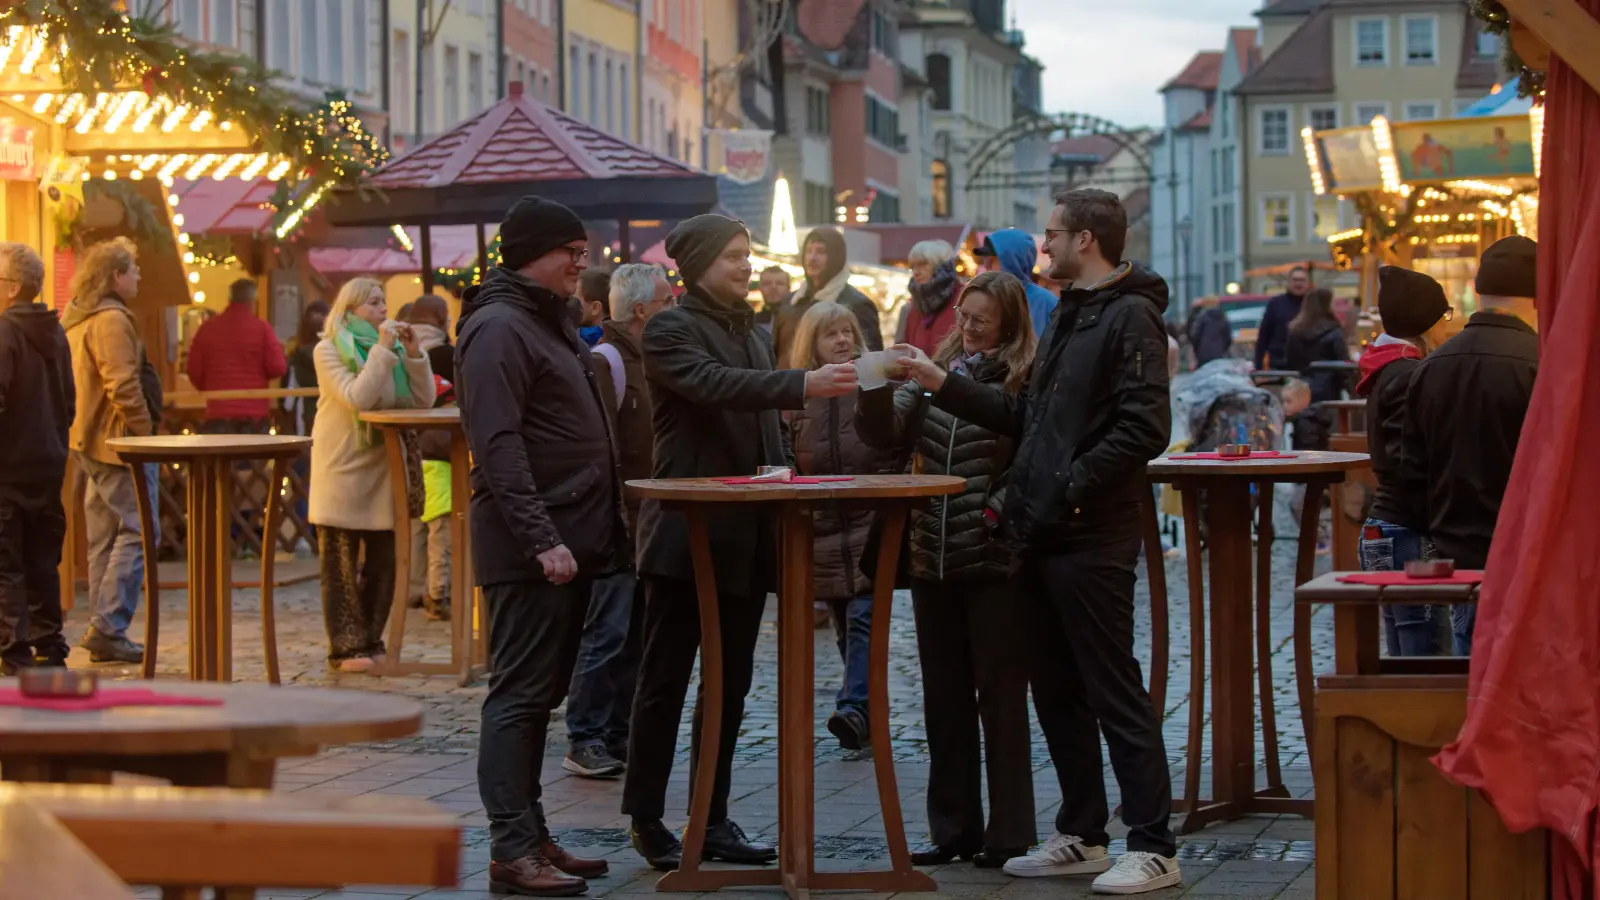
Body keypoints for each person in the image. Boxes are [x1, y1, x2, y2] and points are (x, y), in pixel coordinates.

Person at [895, 188, 1180, 893]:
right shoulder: (1072, 311)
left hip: (1093, 532)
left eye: (1052, 233)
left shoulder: (1131, 315)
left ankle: (1153, 845)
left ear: (1086, 239)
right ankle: (1083, 833)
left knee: (1113, 688)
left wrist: (1068, 484)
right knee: (1056, 688)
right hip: (1044, 531)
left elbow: (1144, 429)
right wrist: (941, 382)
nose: (1042, 244)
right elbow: (1028, 415)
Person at [624, 214, 858, 871]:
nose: (745, 265)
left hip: (746, 538)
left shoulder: (752, 331)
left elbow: (763, 425)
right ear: (699, 263)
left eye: (746, 253)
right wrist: (804, 383)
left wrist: (784, 471)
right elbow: (714, 386)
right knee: (664, 680)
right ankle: (645, 817)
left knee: (729, 686)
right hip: (686, 535)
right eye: (732, 255)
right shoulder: (670, 328)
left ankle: (712, 817)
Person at [456, 196, 622, 896]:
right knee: (519, 697)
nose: (582, 263)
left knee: (539, 695)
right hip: (533, 546)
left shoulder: (542, 319)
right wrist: (541, 538)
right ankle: (512, 848)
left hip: (568, 537)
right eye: (571, 252)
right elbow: (497, 445)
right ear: (532, 254)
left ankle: (532, 833)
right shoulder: (498, 326)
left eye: (583, 251)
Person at [858, 271, 1038, 868]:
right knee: (944, 699)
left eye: (980, 320)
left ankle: (1009, 834)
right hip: (930, 553)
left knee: (1001, 700)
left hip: (992, 555)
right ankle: (954, 829)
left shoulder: (1024, 375)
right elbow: (884, 432)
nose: (967, 328)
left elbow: (1030, 447)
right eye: (964, 316)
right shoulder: (940, 368)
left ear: (1008, 325)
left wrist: (995, 510)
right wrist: (872, 380)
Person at [563, 264, 673, 780]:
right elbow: (598, 448)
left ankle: (617, 735)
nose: (674, 308)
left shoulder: (651, 357)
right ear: (641, 310)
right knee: (606, 632)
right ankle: (585, 737)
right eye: (667, 301)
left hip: (647, 520)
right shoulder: (608, 361)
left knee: (636, 635)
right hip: (618, 522)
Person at [1404, 235, 1539, 656]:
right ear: (1539, 296)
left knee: (1468, 659)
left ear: (1480, 291)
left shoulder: (1431, 366)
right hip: (1524, 547)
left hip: (1454, 549)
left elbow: (1413, 468)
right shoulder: (1543, 362)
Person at [308, 278, 435, 674]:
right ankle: (345, 646)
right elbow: (357, 397)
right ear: (350, 310)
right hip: (344, 468)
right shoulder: (328, 349)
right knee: (341, 564)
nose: (384, 309)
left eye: (384, 301)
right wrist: (383, 350)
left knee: (385, 560)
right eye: (374, 303)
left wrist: (413, 355)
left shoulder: (391, 350)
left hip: (385, 469)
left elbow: (423, 401)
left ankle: (371, 638)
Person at [786, 301, 897, 751]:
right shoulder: (797, 397)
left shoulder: (873, 385)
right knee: (845, 624)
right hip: (824, 530)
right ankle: (866, 714)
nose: (843, 340)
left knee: (863, 617)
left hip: (869, 525)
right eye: (831, 333)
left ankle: (853, 707)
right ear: (811, 343)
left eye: (848, 331)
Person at [61, 237, 159, 665]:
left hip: (87, 438)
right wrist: (144, 433)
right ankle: (108, 626)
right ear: (116, 275)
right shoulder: (111, 320)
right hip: (117, 442)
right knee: (139, 529)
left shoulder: (79, 317)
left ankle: (103, 626)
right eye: (133, 270)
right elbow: (122, 384)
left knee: (103, 535)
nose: (139, 276)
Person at [1356, 266, 1453, 656]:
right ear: (1424, 324)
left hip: (1388, 529)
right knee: (1425, 657)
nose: (1446, 327)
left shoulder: (1388, 369)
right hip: (1408, 531)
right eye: (1443, 317)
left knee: (1404, 653)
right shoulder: (1407, 374)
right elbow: (1407, 462)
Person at [0, 243, 74, 673]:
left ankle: (14, 654)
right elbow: (69, 401)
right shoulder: (55, 331)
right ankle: (49, 647)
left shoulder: (4, 332)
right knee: (43, 561)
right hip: (49, 463)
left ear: (12, 288)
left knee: (7, 563)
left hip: (8, 467)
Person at [402, 295, 456, 620]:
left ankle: (413, 589)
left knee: (415, 526)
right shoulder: (448, 356)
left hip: (406, 451)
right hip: (442, 454)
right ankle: (437, 594)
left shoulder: (398, 353)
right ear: (440, 318)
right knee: (441, 530)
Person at [773, 226, 883, 367]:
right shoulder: (790, 303)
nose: (812, 258)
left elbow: (871, 362)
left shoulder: (857, 304)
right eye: (808, 251)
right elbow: (775, 356)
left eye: (821, 252)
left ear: (835, 256)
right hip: (790, 381)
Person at [185, 279, 287, 424]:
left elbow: (193, 370)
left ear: (230, 298)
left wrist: (210, 389)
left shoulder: (207, 328)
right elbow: (278, 368)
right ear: (252, 301)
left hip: (218, 412)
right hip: (254, 413)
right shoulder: (262, 329)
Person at [985, 228, 1059, 337]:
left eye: (993, 260)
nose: (986, 265)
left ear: (1013, 262)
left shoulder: (1045, 303)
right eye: (985, 259)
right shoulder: (984, 298)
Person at [1284, 288, 1349, 404]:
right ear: (1326, 305)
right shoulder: (1333, 330)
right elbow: (1344, 365)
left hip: (1301, 389)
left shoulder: (1295, 331)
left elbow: (1290, 362)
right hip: (1329, 390)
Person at [900, 240, 961, 358]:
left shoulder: (962, 300)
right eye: (912, 267)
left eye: (923, 264)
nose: (916, 272)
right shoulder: (915, 305)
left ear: (941, 265)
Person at [284, 300, 329, 435]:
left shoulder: (296, 356)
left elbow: (288, 402)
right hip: (332, 414)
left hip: (306, 415)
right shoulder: (339, 353)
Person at [1254, 265, 1310, 370]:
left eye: (1302, 280)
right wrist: (1258, 367)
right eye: (1295, 280)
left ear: (1308, 283)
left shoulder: (1313, 305)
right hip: (1278, 366)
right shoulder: (1276, 304)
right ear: (1288, 282)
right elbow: (1263, 336)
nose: (1298, 284)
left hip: (1307, 367)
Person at [1185, 295, 1232, 367]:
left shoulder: (1202, 317)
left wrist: (1196, 350)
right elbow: (1228, 337)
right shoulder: (1223, 317)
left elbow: (1196, 336)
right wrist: (1223, 349)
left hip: (1203, 354)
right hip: (1219, 353)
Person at [576, 268, 610, 347]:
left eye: (575, 300)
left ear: (595, 307)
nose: (569, 303)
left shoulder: (579, 342)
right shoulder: (619, 339)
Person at [755, 266, 791, 342]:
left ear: (788, 288)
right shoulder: (751, 323)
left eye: (779, 283)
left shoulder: (797, 319)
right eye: (767, 283)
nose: (773, 287)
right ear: (760, 287)